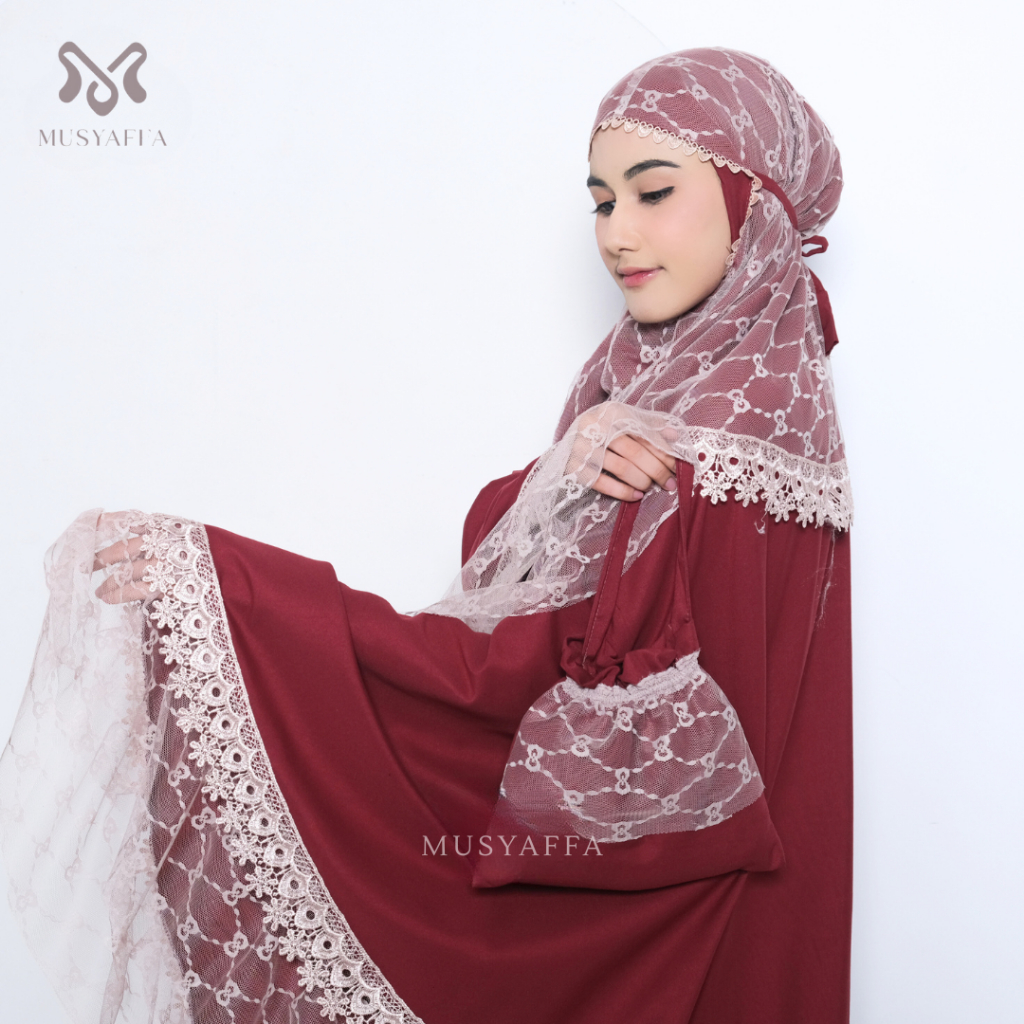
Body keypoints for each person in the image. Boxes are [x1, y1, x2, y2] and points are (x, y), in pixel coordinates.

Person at [0, 47, 852, 1024]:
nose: (618, 233)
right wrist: (559, 470)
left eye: (653, 192)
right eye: (601, 202)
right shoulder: (725, 403)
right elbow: (571, 625)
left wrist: (230, 594)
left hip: (680, 938)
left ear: (754, 204)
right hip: (748, 921)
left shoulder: (696, 450)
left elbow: (517, 685)